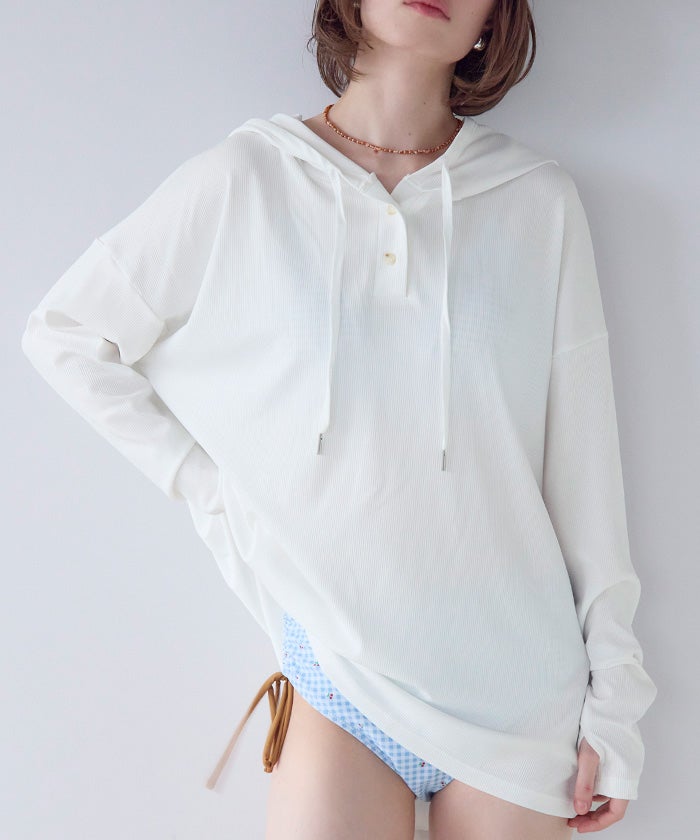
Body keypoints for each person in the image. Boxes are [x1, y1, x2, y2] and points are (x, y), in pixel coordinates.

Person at [20, 1, 658, 838]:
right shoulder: (248, 177)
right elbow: (67, 335)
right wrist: (211, 492)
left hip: (522, 699)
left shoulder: (538, 202)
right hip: (337, 677)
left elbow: (585, 475)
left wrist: (616, 703)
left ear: (492, 24)